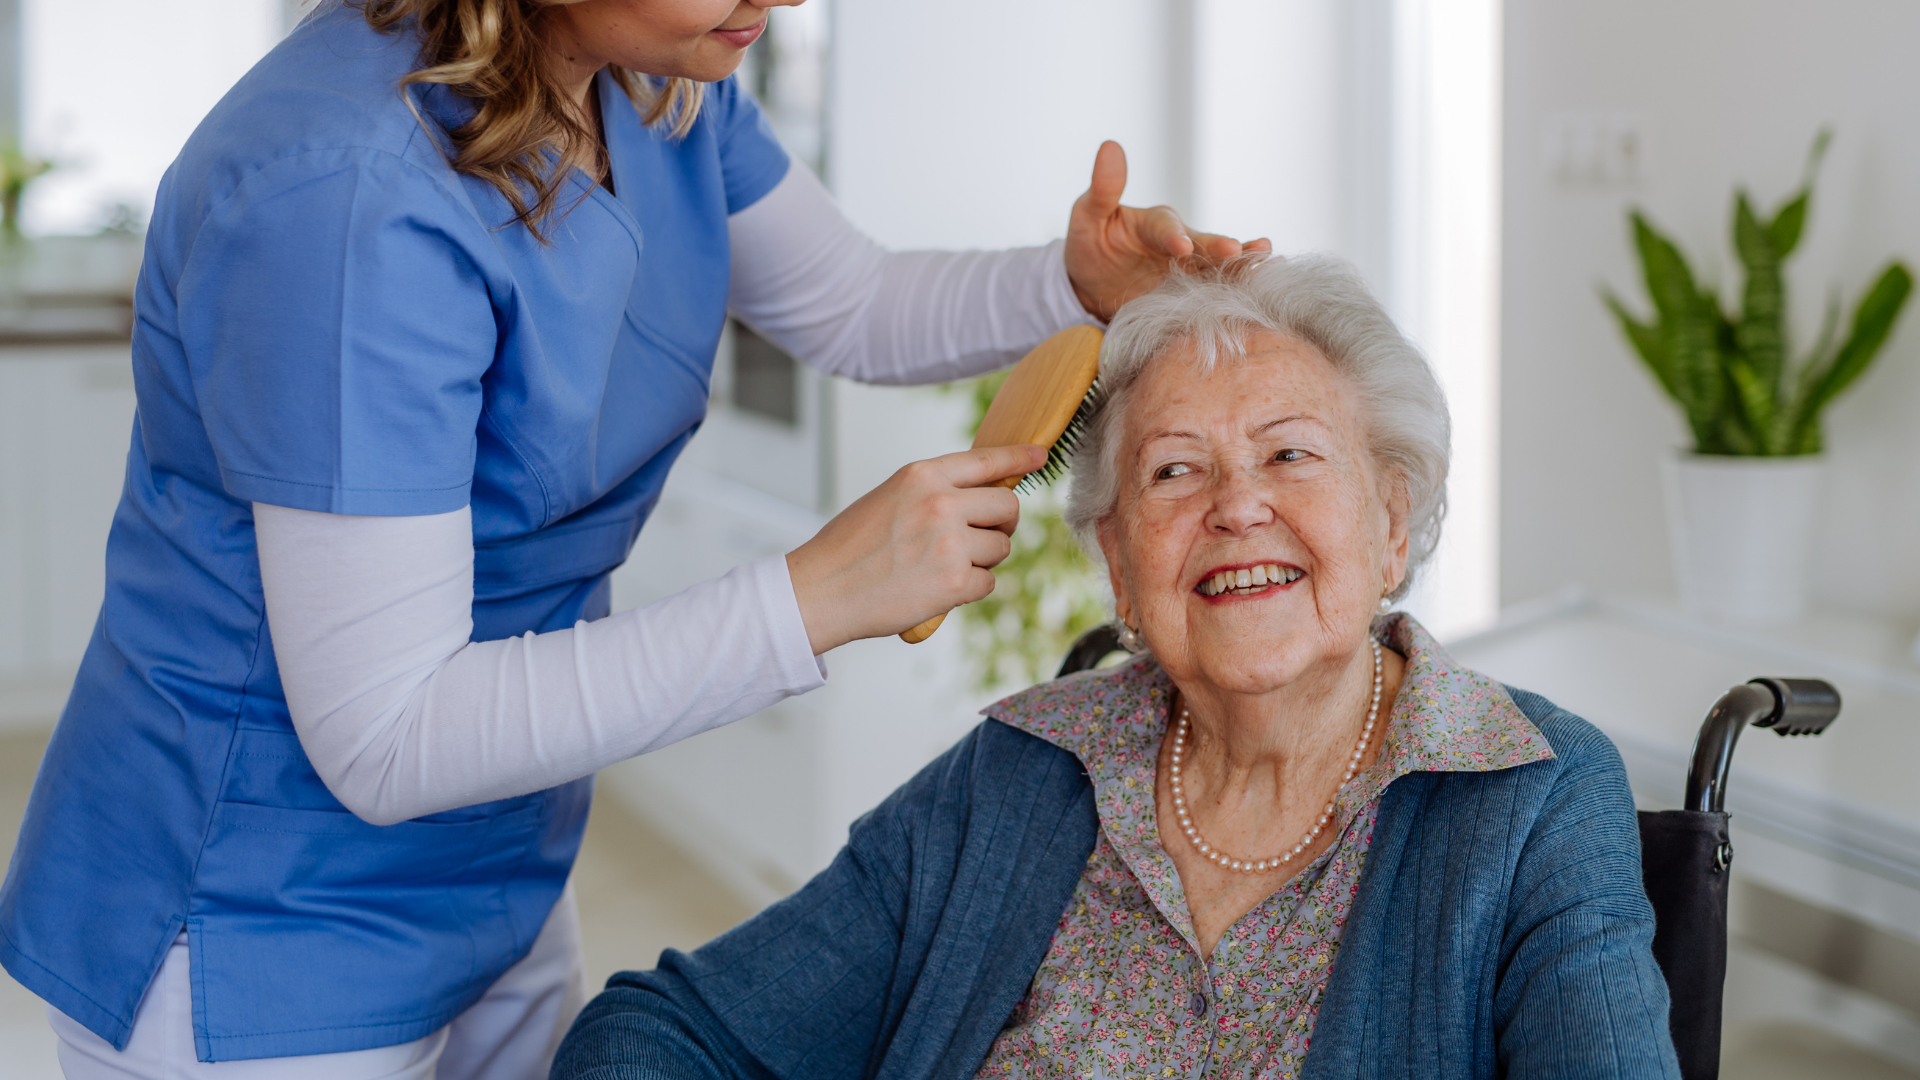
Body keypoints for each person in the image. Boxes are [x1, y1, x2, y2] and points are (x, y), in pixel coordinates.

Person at [0, 0, 1269, 1077]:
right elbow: (385, 737)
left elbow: (855, 304)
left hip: (493, 854)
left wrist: (1069, 286)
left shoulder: (650, 76)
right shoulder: (342, 197)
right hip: (251, 924)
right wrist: (816, 595)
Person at [552, 254, 1683, 1079]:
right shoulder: (1020, 774)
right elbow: (666, 1034)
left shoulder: (1531, 794)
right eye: (1175, 473)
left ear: (1393, 521)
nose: (1239, 505)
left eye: (1291, 453)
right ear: (1120, 568)